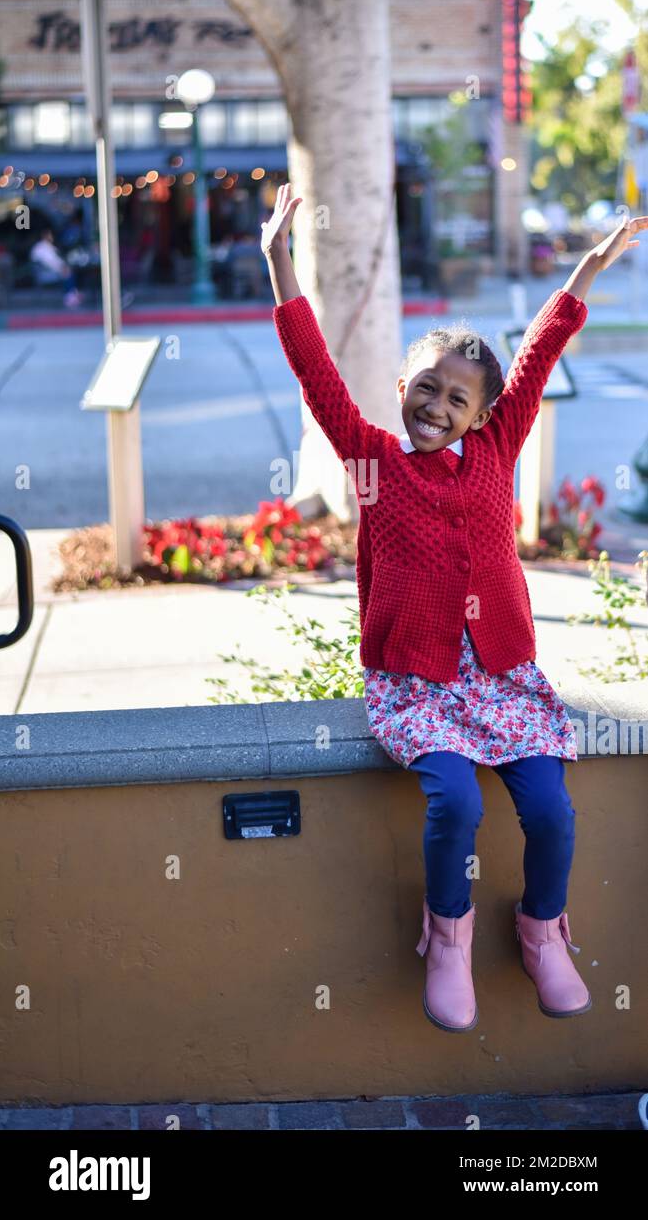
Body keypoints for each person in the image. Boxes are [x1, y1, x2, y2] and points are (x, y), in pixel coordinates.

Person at [262, 183, 648, 1033]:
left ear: (481, 416)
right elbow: (313, 369)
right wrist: (278, 257)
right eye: (425, 388)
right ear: (403, 384)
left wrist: (587, 266)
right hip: (416, 683)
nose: (435, 407)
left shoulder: (496, 448)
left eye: (456, 400)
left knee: (550, 811)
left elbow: (540, 350)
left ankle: (543, 931)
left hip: (503, 675)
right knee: (458, 805)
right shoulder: (368, 458)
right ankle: (446, 941)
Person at [29, 228, 84, 308]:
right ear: (45, 236)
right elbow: (47, 262)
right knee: (67, 273)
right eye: (50, 235)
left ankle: (72, 294)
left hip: (55, 270)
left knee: (69, 271)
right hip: (45, 273)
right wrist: (61, 268)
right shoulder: (39, 248)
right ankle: (70, 297)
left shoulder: (50, 247)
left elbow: (58, 260)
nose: (51, 237)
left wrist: (63, 266)